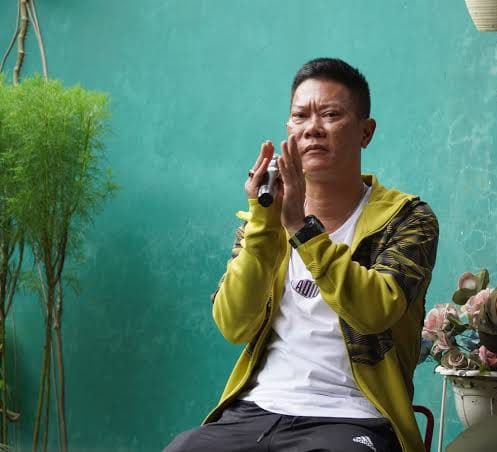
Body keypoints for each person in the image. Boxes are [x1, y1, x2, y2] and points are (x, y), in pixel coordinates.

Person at [163, 58, 439, 452]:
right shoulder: (265, 218)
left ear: (366, 132)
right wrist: (265, 222)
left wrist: (302, 229)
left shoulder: (408, 218)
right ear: (289, 130)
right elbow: (233, 325)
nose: (313, 128)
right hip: (256, 410)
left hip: (353, 417)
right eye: (300, 116)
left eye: (331, 114)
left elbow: (375, 312)